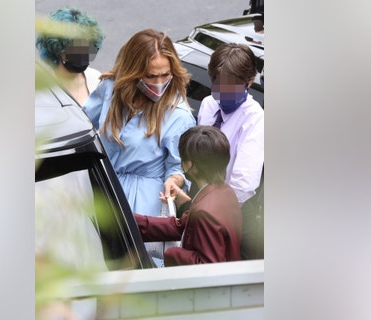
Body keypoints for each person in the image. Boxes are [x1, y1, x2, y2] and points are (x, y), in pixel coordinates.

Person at [83, 29, 196, 218]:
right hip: (100, 189)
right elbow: (82, 123)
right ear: (133, 71)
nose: (159, 83)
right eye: (151, 76)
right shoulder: (111, 89)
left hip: (143, 204)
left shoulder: (179, 115)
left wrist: (175, 180)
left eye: (166, 74)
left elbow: (179, 166)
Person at [134, 126, 242, 266]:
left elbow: (209, 264)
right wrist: (132, 221)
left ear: (192, 165)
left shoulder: (204, 212)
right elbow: (181, 226)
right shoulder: (224, 191)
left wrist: (173, 253)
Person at [197, 43, 264, 206]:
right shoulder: (208, 104)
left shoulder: (255, 117)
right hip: (200, 197)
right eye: (218, 85)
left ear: (249, 82)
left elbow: (243, 183)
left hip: (229, 208)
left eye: (230, 87)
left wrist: (216, 210)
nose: (222, 92)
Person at [36, 7, 105, 105]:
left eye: (90, 48)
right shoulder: (42, 90)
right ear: (58, 49)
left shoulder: (97, 79)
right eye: (78, 49)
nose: (84, 54)